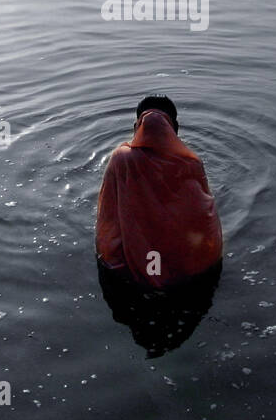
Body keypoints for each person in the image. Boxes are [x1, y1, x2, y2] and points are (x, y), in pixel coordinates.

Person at [95, 95, 223, 290]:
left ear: (136, 127)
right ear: (175, 128)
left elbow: (108, 213)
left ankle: (152, 273)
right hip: (186, 264)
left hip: (133, 264)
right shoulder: (190, 163)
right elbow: (203, 213)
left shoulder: (121, 159)